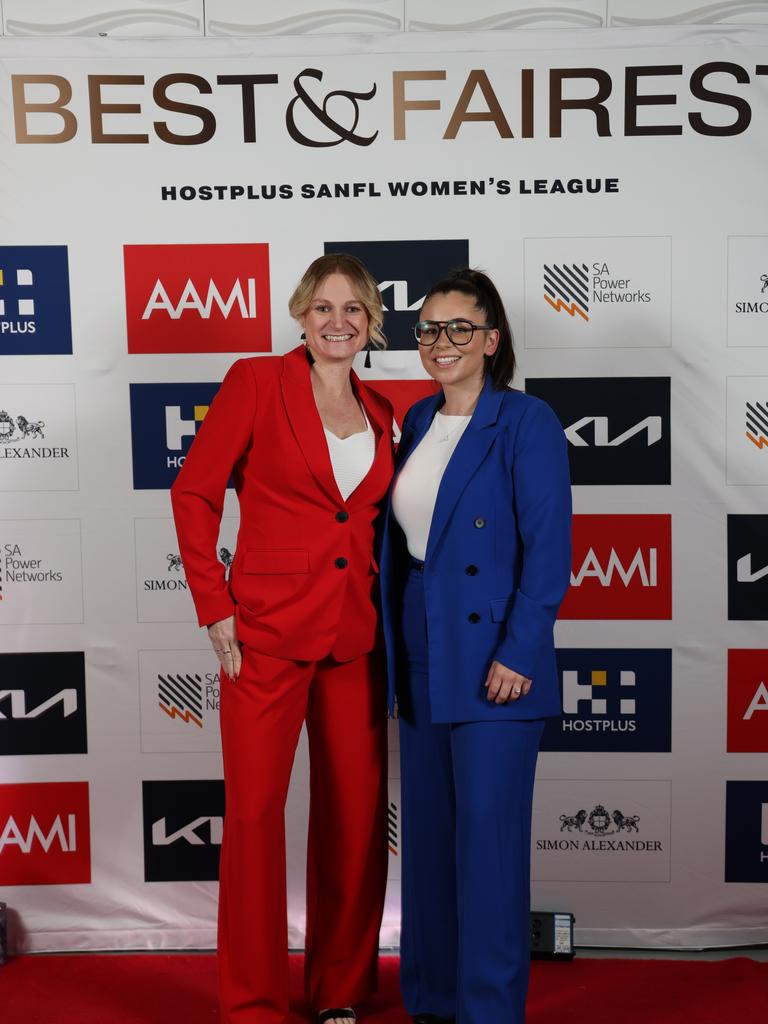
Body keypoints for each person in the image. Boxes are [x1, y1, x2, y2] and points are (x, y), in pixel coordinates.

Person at [171, 253, 395, 1024]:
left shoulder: (385, 410)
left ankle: (338, 990)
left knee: (356, 824)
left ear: (372, 321)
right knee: (258, 819)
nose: (339, 322)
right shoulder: (256, 381)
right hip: (262, 635)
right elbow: (196, 490)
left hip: (355, 640)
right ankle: (254, 1002)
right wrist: (213, 602)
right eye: (325, 307)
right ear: (301, 313)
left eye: (354, 310)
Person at [379, 268, 572, 1024]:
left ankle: (488, 1010)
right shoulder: (417, 422)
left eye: (461, 327)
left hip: (496, 656)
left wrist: (521, 652)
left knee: (487, 852)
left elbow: (548, 551)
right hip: (422, 644)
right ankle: (432, 1000)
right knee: (428, 845)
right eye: (429, 328)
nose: (442, 341)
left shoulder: (527, 421)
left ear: (492, 341)